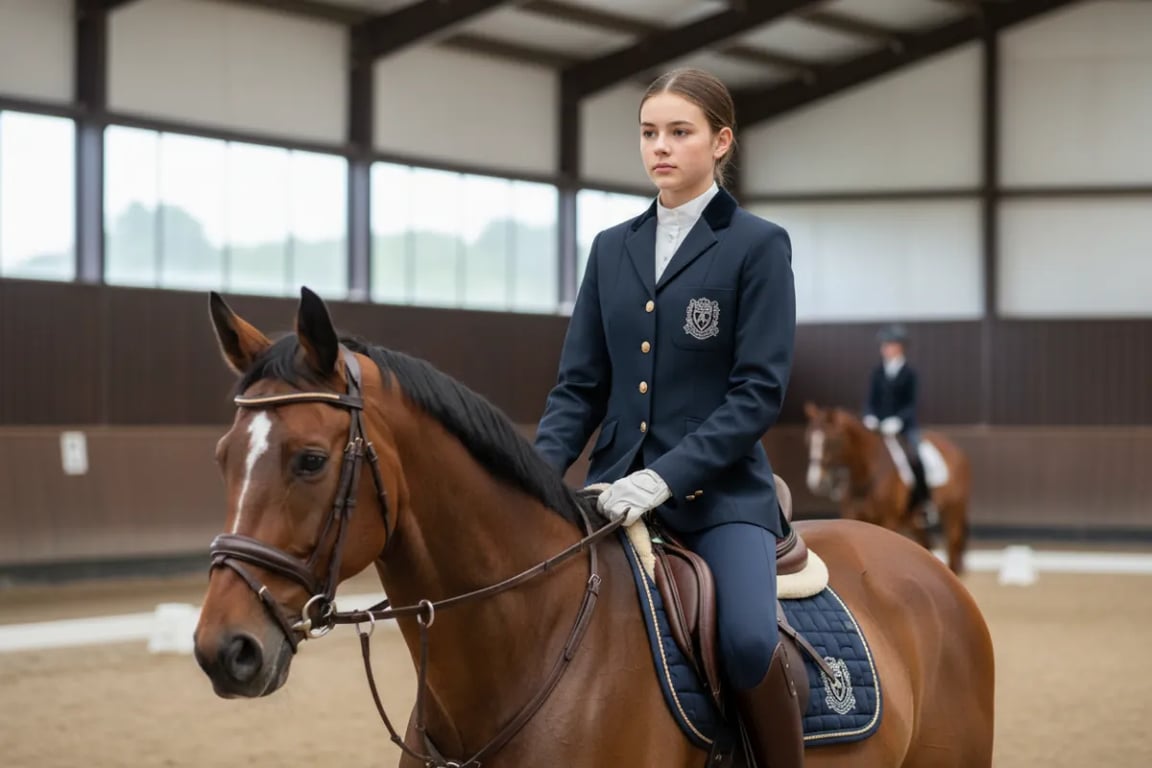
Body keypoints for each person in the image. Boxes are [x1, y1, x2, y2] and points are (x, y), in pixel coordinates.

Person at [534, 68, 801, 767]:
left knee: (747, 640)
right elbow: (579, 389)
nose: (660, 147)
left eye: (680, 132)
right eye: (649, 132)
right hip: (610, 490)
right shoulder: (611, 247)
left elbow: (757, 393)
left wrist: (665, 477)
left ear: (721, 142)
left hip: (720, 498)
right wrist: (531, 476)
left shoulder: (757, 245)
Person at [863, 324, 929, 511]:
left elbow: (912, 404)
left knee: (915, 456)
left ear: (899, 346)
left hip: (904, 427)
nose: (884, 348)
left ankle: (924, 502)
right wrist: (869, 416)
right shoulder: (877, 372)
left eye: (888, 344)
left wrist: (898, 420)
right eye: (883, 345)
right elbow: (870, 400)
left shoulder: (910, 374)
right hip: (879, 427)